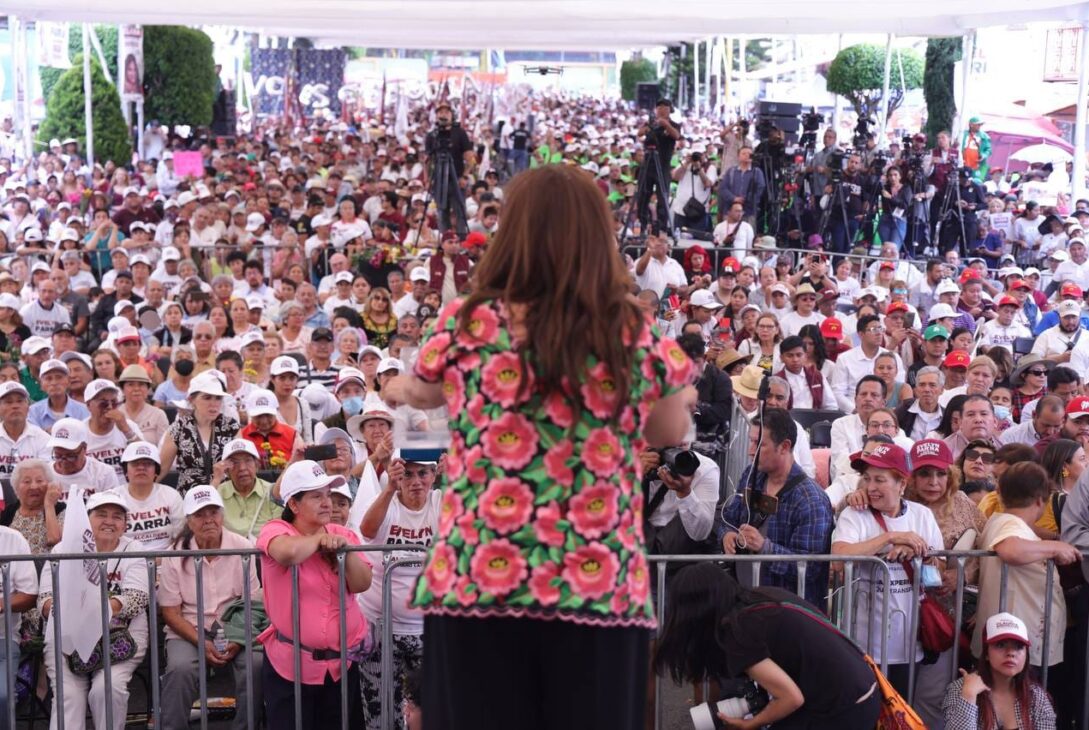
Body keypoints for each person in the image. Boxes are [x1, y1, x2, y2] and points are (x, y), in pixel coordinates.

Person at [379, 165, 695, 729]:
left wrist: (398, 387)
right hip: (594, 584)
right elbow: (668, 431)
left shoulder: (471, 321)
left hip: (478, 580)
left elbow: (422, 389)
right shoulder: (626, 329)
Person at [655, 564, 881, 729]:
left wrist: (752, 723)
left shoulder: (738, 631)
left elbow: (791, 698)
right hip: (858, 689)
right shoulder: (758, 598)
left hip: (843, 705)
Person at [256, 459, 372, 729]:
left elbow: (361, 583)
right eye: (316, 496)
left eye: (328, 495)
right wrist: (320, 541)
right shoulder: (276, 529)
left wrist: (344, 551)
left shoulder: (342, 533)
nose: (326, 502)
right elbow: (286, 553)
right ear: (293, 505)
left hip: (341, 667)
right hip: (291, 669)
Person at [831, 442, 944, 696]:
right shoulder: (855, 514)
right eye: (867, 479)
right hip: (863, 643)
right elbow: (838, 557)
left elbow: (941, 565)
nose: (871, 487)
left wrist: (920, 553)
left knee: (901, 716)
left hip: (908, 643)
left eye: (880, 480)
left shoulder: (922, 515)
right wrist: (890, 538)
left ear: (902, 484)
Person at [40, 491, 150, 730]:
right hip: (67, 636)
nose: (109, 521)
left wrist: (92, 608)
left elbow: (138, 598)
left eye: (117, 516)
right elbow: (46, 601)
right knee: (68, 696)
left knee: (107, 689)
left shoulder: (134, 548)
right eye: (101, 515)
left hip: (120, 638)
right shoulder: (62, 550)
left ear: (125, 524)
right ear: (86, 519)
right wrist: (76, 615)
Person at [158, 485, 263, 730]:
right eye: (200, 515)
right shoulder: (174, 554)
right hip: (189, 628)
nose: (208, 520)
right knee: (180, 668)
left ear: (222, 514)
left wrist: (237, 638)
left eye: (213, 512)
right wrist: (200, 642)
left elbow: (252, 603)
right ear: (189, 521)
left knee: (256, 665)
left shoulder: (242, 547)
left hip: (236, 624)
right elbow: (171, 612)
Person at [357, 457, 441, 730]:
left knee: (431, 709)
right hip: (380, 628)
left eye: (423, 474)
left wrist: (458, 480)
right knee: (379, 711)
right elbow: (367, 530)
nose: (416, 481)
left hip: (427, 628)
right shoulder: (388, 503)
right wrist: (389, 488)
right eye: (408, 475)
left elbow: (470, 524)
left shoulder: (441, 502)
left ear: (434, 475)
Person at [718, 408, 834, 606]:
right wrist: (727, 534)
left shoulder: (811, 500)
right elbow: (728, 518)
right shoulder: (751, 475)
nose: (750, 450)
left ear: (785, 446)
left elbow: (809, 568)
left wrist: (764, 547)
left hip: (787, 613)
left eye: (759, 444)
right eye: (751, 441)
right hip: (745, 599)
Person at [973, 462, 1079, 672]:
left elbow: (1025, 533)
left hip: (1017, 640)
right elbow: (1011, 550)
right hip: (1015, 645)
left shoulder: (1006, 522)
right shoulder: (1008, 525)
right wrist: (1055, 547)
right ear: (1041, 501)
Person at [944, 612, 1057, 730]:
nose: (1011, 653)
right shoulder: (961, 689)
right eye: (1000, 645)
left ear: (1026, 655)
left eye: (1018, 647)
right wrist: (969, 696)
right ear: (986, 653)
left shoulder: (1036, 697)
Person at [160, 373, 240, 495]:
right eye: (207, 398)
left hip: (226, 496)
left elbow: (241, 463)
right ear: (192, 400)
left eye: (218, 398)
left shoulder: (231, 426)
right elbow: (161, 470)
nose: (214, 403)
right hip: (190, 498)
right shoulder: (179, 428)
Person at [112, 440, 184, 549]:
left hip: (167, 561)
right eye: (135, 463)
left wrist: (164, 561)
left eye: (147, 464)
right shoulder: (113, 498)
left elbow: (180, 539)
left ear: (156, 470)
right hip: (125, 562)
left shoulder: (172, 495)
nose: (141, 468)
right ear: (126, 470)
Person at [0, 517, 36, 719]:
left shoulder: (12, 539)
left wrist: (1, 604)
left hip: (3, 637)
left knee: (2, 697)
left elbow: (29, 595)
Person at [45, 417, 121, 500]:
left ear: (84, 448)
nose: (64, 462)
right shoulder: (45, 476)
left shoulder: (103, 473)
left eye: (71, 456)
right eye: (58, 456)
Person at [83, 378, 144, 480]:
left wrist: (126, 431)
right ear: (89, 405)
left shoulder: (129, 425)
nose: (110, 407)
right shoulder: (80, 430)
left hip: (125, 489)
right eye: (103, 403)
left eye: (114, 402)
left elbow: (145, 457)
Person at [0, 380, 52, 479]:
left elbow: (46, 476)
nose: (15, 406)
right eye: (8, 402)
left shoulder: (42, 439)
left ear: (28, 407)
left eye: (20, 401)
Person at [28, 357, 89, 432]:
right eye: (48, 378)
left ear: (68, 381)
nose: (54, 383)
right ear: (41, 384)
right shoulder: (33, 412)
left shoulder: (84, 411)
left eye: (59, 377)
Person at [119, 364, 169, 448]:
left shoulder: (158, 415)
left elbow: (164, 448)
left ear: (148, 389)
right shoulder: (116, 414)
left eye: (141, 384)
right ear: (122, 389)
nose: (136, 388)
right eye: (131, 384)